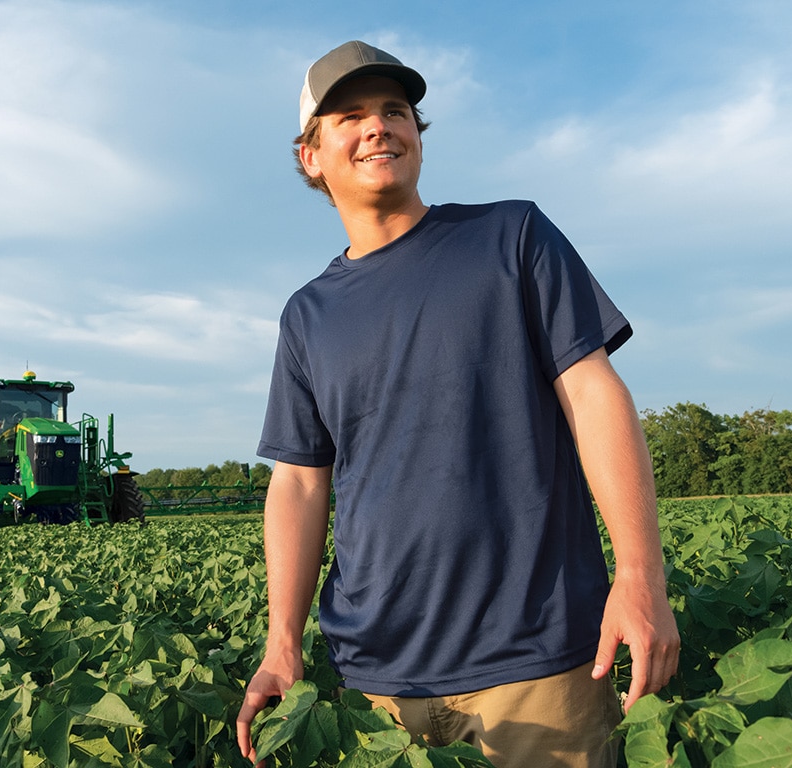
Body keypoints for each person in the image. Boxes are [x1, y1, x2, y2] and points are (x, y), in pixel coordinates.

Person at [236, 40, 679, 768]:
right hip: (375, 677)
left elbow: (594, 394)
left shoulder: (511, 238)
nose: (379, 126)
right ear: (311, 155)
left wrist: (639, 575)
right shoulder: (307, 316)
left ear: (416, 134)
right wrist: (282, 644)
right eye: (349, 116)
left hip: (536, 661)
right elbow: (299, 480)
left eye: (396, 111)